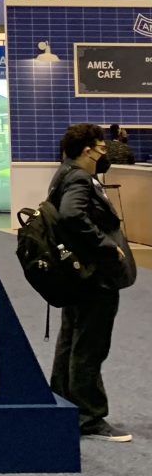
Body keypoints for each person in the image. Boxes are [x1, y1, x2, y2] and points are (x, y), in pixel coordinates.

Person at [49, 123, 137, 442]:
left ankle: (62, 402)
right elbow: (72, 215)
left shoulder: (65, 172)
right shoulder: (79, 178)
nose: (104, 152)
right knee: (90, 345)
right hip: (93, 276)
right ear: (87, 149)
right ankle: (89, 416)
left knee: (71, 339)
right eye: (101, 147)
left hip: (77, 274)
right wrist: (105, 244)